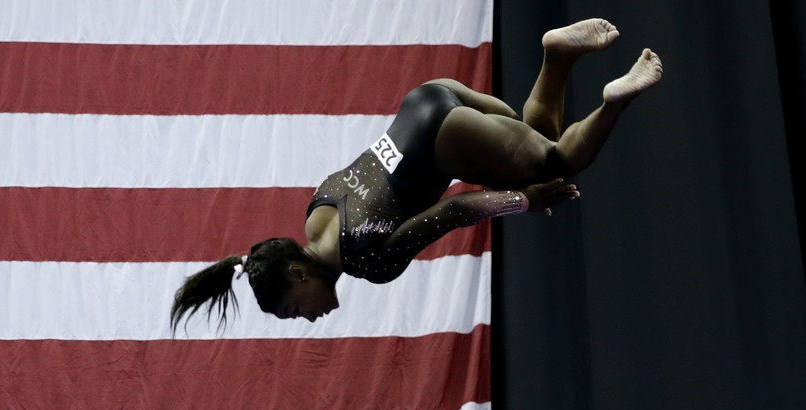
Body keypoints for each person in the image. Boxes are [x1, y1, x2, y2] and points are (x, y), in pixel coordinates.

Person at [171, 18, 663, 326]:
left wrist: (527, 202)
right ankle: (557, 54)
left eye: (295, 310)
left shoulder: (366, 260)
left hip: (442, 138)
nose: (309, 319)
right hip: (427, 98)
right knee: (532, 143)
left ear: (298, 274)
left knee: (557, 162)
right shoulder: (314, 214)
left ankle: (613, 101)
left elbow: (455, 210)